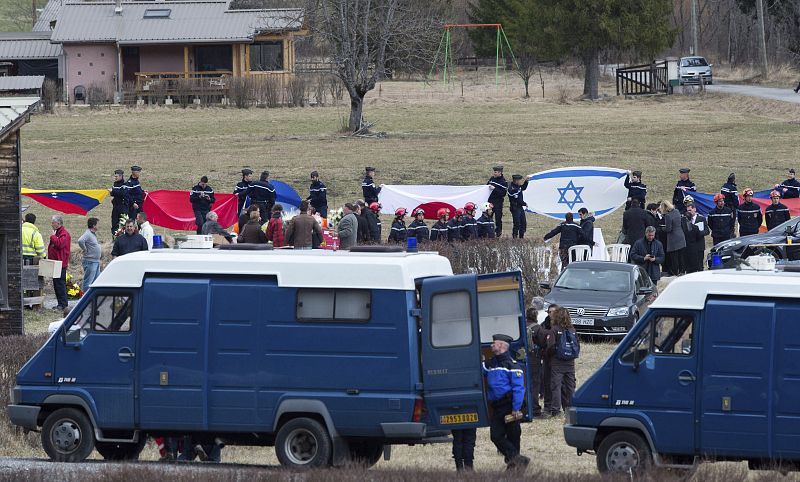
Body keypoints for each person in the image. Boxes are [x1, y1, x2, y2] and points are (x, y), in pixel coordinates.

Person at [483, 333, 529, 471]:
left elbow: (519, 388)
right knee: (496, 436)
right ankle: (519, 460)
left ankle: (513, 468)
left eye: (494, 343)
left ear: (502, 345)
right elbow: (483, 371)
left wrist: (516, 408)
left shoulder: (512, 365)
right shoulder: (492, 363)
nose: (491, 345)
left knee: (514, 435)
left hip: (509, 406)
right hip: (497, 407)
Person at [545, 307, 578, 416]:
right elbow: (577, 345)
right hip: (570, 363)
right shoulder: (572, 329)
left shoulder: (554, 329)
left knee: (556, 387)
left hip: (557, 363)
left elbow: (550, 347)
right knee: (570, 387)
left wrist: (548, 355)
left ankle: (556, 411)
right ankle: (572, 408)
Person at [48, 215, 71, 310]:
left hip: (60, 263)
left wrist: (53, 236)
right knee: (56, 284)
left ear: (58, 223)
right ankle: (60, 303)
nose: (51, 224)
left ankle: (63, 304)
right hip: (56, 262)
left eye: (53, 222)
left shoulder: (64, 233)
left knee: (60, 284)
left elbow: (59, 244)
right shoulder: (58, 232)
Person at [526, 307, 545, 418]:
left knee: (524, 383)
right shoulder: (538, 328)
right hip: (534, 358)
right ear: (536, 316)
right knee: (535, 384)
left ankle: (524, 406)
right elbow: (543, 343)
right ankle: (534, 408)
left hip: (522, 357)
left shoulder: (521, 326)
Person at [660, 200, 686, 276]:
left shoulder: (668, 216)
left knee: (674, 258)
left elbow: (668, 229)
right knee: (681, 256)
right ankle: (682, 271)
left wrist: (662, 228)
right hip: (681, 236)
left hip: (673, 239)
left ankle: (675, 273)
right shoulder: (677, 211)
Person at [683, 200, 709, 273]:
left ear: (694, 209)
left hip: (699, 245)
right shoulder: (685, 220)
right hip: (689, 247)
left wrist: (698, 233)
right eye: (687, 211)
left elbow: (707, 231)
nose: (689, 212)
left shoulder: (701, 218)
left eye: (690, 210)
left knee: (699, 265)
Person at [77, 217, 101, 292]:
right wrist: (84, 249)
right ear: (94, 226)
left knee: (96, 282)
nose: (99, 226)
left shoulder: (92, 234)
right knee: (88, 282)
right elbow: (80, 240)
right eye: (98, 224)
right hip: (90, 261)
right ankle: (84, 299)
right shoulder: (88, 234)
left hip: (95, 261)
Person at [487, 166, 508, 237]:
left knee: (498, 218)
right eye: (494, 172)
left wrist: (494, 189)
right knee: (488, 217)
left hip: (498, 203)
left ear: (500, 173)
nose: (494, 173)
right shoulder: (492, 179)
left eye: (495, 172)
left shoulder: (503, 182)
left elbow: (503, 193)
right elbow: (487, 186)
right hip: (490, 202)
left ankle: (498, 232)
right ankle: (488, 231)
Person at [108, 169, 129, 236]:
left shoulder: (124, 185)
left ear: (121, 176)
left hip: (122, 207)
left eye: (116, 176)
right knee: (114, 223)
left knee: (124, 223)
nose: (115, 178)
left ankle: (126, 237)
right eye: (115, 176)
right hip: (115, 207)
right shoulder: (115, 184)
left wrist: (113, 192)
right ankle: (115, 237)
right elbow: (113, 194)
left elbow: (122, 193)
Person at [507, 174, 529, 238]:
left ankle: (521, 237)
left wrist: (526, 181)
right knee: (517, 224)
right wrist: (524, 204)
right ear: (516, 181)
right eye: (520, 180)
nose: (520, 182)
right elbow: (518, 200)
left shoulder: (517, 186)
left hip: (520, 208)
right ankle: (515, 238)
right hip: (515, 208)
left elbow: (523, 187)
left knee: (523, 223)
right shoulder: (512, 189)